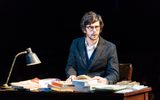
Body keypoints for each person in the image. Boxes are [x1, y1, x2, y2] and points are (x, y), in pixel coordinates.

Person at [65, 11, 119, 84]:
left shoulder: (110, 47)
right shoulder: (76, 43)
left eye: (97, 27)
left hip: (98, 89)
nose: (94, 30)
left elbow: (114, 73)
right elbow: (70, 66)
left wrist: (106, 80)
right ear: (84, 29)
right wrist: (71, 75)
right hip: (80, 87)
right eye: (90, 27)